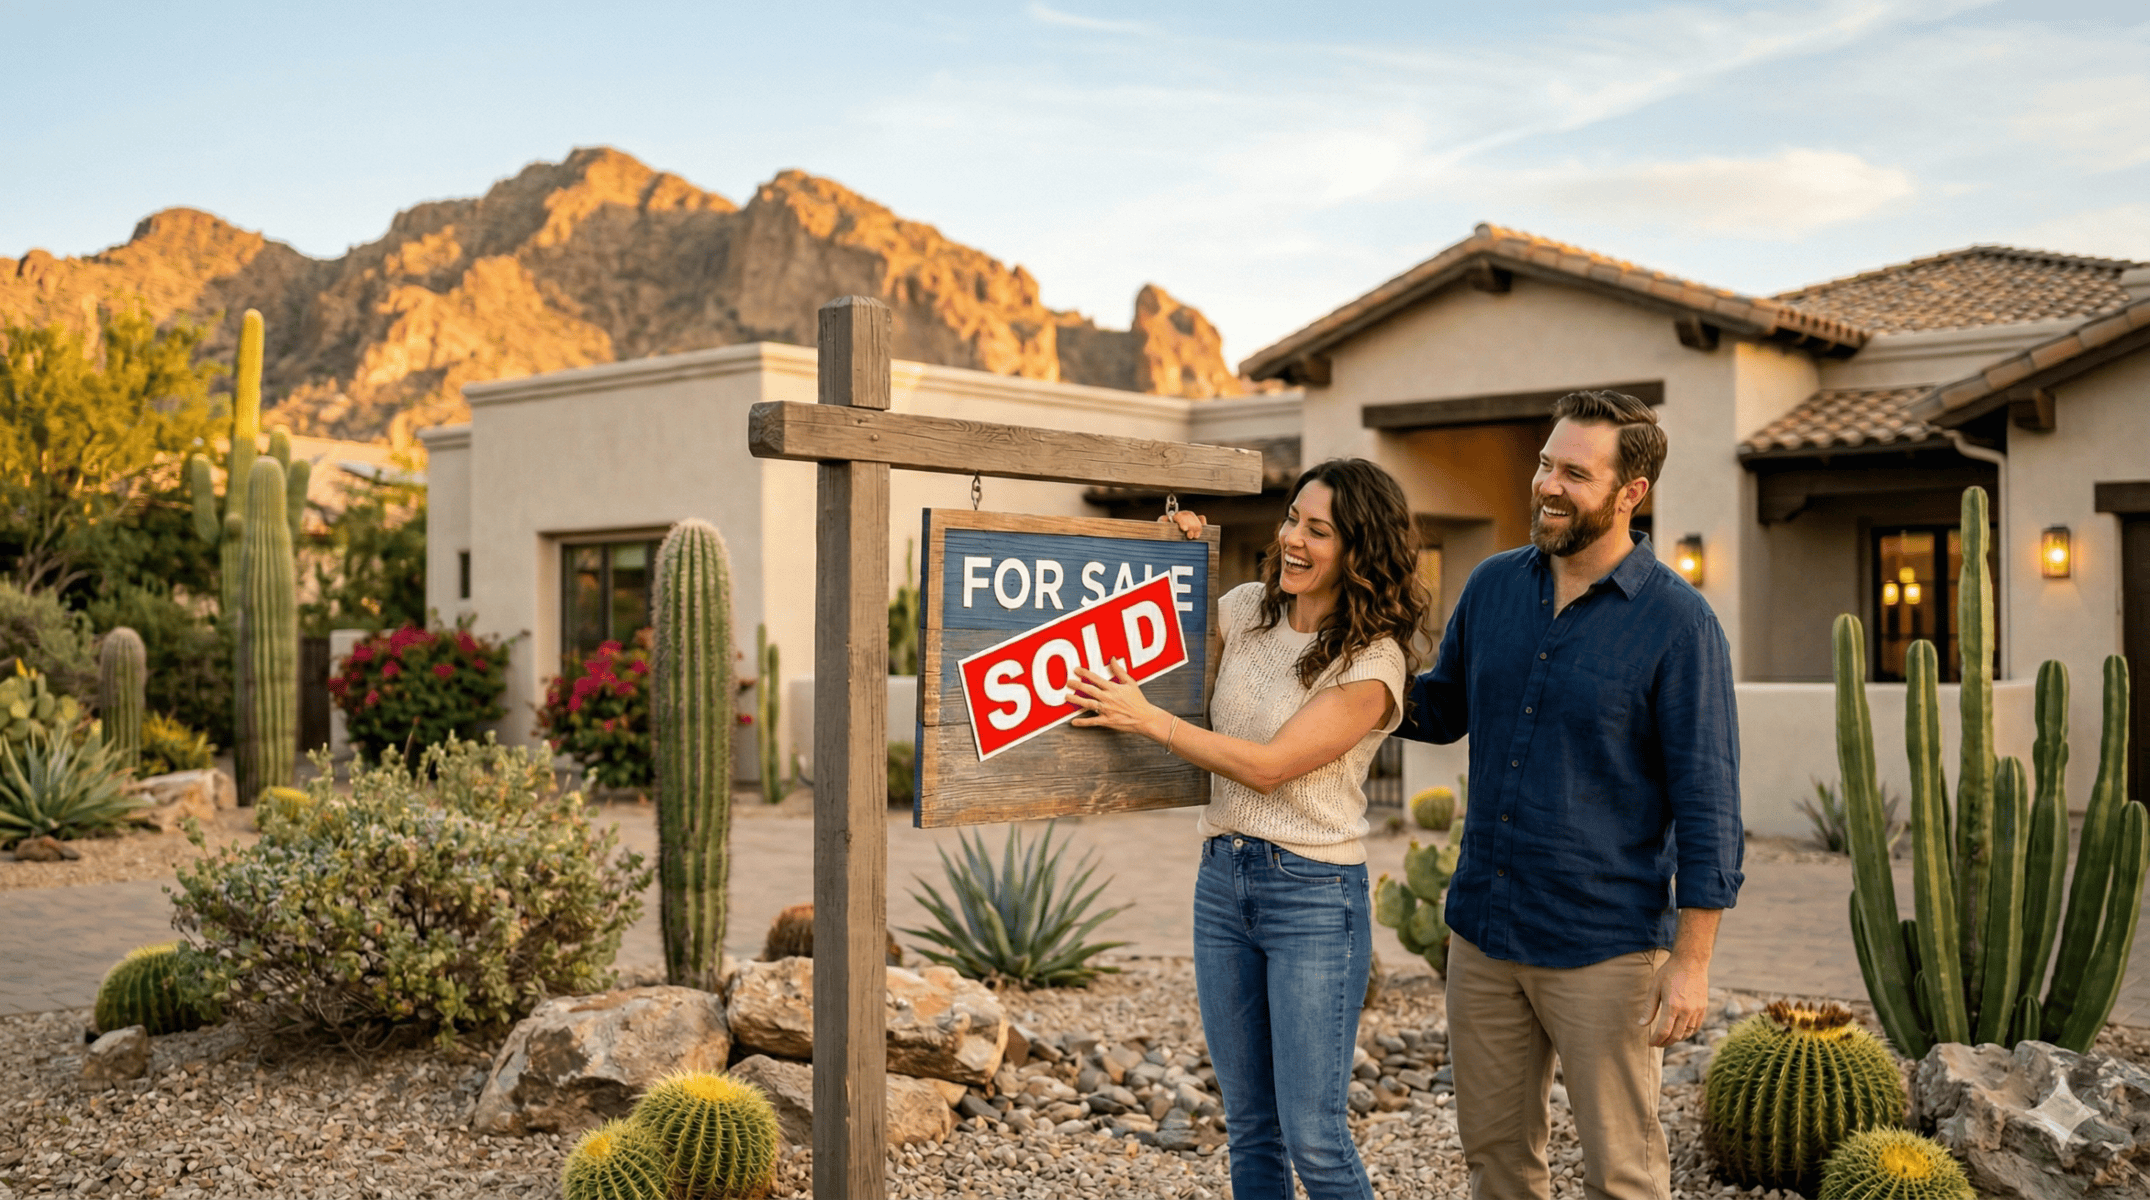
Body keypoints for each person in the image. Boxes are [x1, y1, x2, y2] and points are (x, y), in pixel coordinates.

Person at [1399, 389, 1743, 1200]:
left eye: (1574, 474)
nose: (1547, 485)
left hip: (1606, 949)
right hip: (1483, 935)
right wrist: (1341, 678)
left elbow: (1710, 808)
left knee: (1623, 1176)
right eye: (1546, 464)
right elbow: (1441, 706)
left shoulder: (1679, 625)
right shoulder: (1491, 587)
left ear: (1631, 493)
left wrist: (1690, 963)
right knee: (1497, 1165)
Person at [1068, 457, 1431, 1200]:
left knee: (1315, 1138)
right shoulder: (1243, 610)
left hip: (1314, 897)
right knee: (1251, 1128)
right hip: (1222, 882)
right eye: (1293, 518)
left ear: (1359, 550)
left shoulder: (1373, 663)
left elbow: (1269, 768)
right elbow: (1143, 628)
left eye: (1318, 529)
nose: (1293, 538)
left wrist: (1150, 721)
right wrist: (1173, 551)